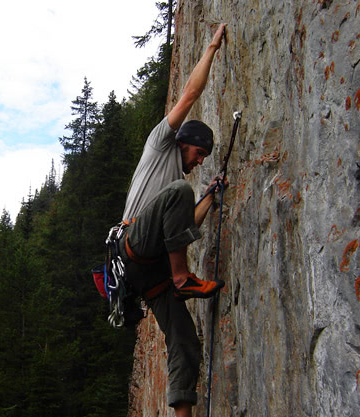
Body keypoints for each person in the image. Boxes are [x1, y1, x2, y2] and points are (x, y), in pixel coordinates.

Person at [120, 24, 227, 417]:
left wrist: (211, 197)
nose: (200, 161)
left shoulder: (178, 189)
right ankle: (184, 279)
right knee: (180, 194)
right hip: (133, 245)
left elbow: (185, 228)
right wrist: (211, 48)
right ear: (185, 140)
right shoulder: (160, 143)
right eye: (200, 153)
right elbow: (191, 94)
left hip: (151, 272)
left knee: (185, 340)